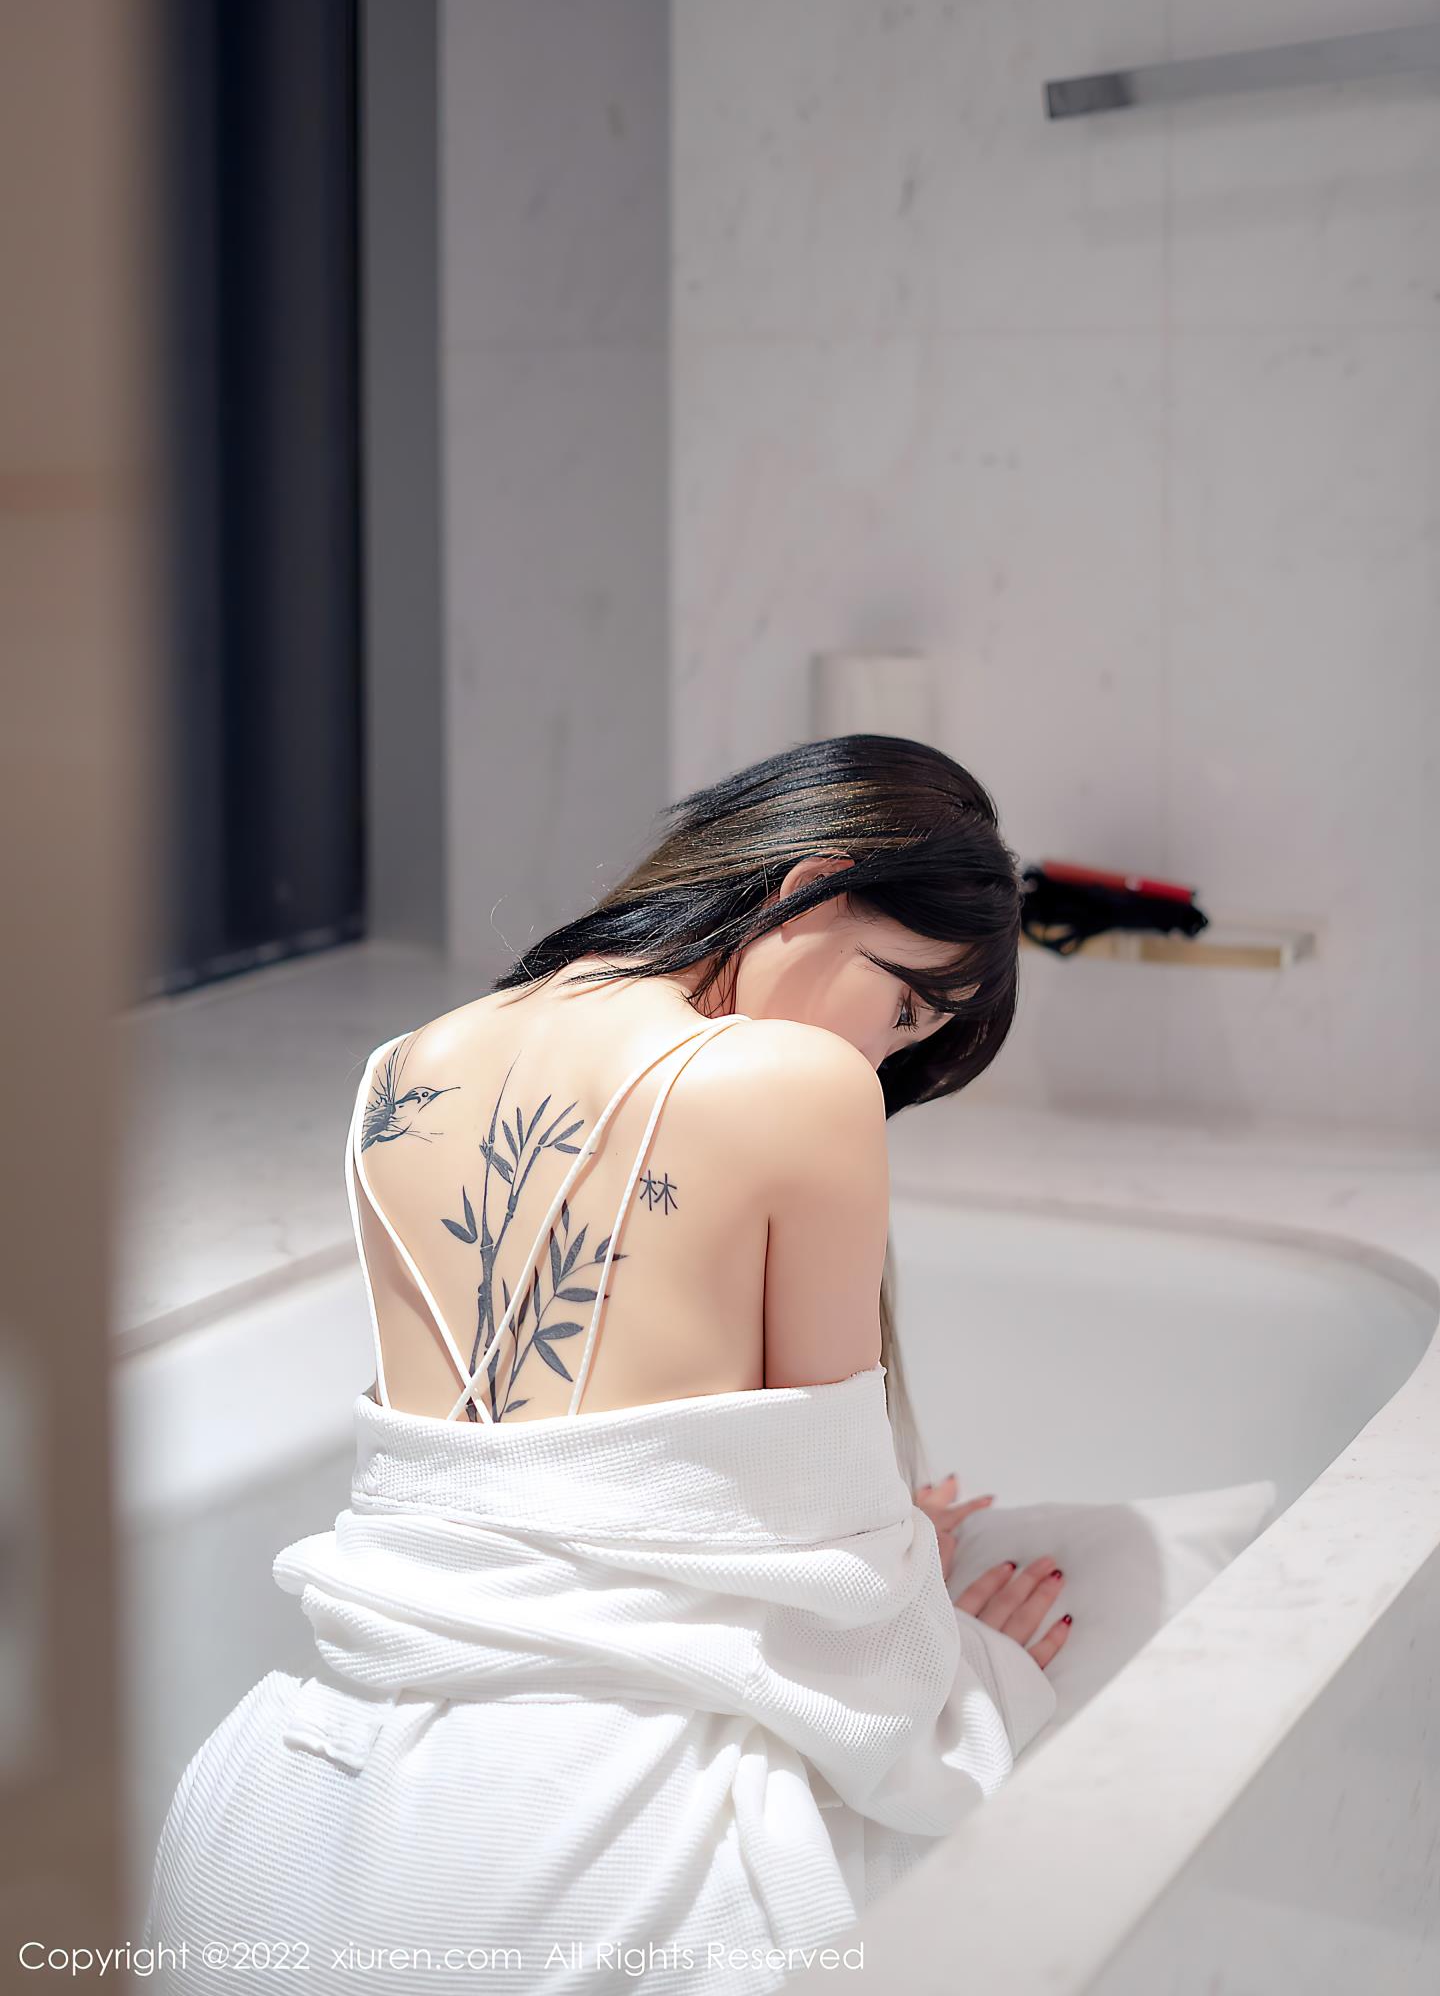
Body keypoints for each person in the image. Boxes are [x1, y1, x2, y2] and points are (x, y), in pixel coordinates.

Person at [143, 734, 1071, 1994]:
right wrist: (964, 1654)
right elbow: (833, 1536)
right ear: (819, 885)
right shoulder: (798, 1082)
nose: (886, 1056)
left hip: (290, 1820)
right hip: (598, 1842)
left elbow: (522, 1479)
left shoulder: (403, 1069)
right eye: (906, 1004)